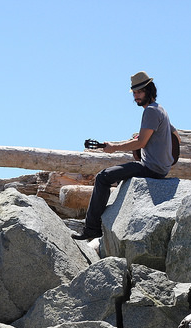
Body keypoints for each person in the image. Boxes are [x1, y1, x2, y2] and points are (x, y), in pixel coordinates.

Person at [73, 71, 180, 240]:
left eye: (140, 92)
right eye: (134, 93)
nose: (136, 96)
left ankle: (91, 228)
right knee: (116, 174)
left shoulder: (150, 112)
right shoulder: (161, 109)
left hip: (150, 168)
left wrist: (114, 147)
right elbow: (176, 137)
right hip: (161, 168)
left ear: (149, 90)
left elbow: (141, 143)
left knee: (103, 177)